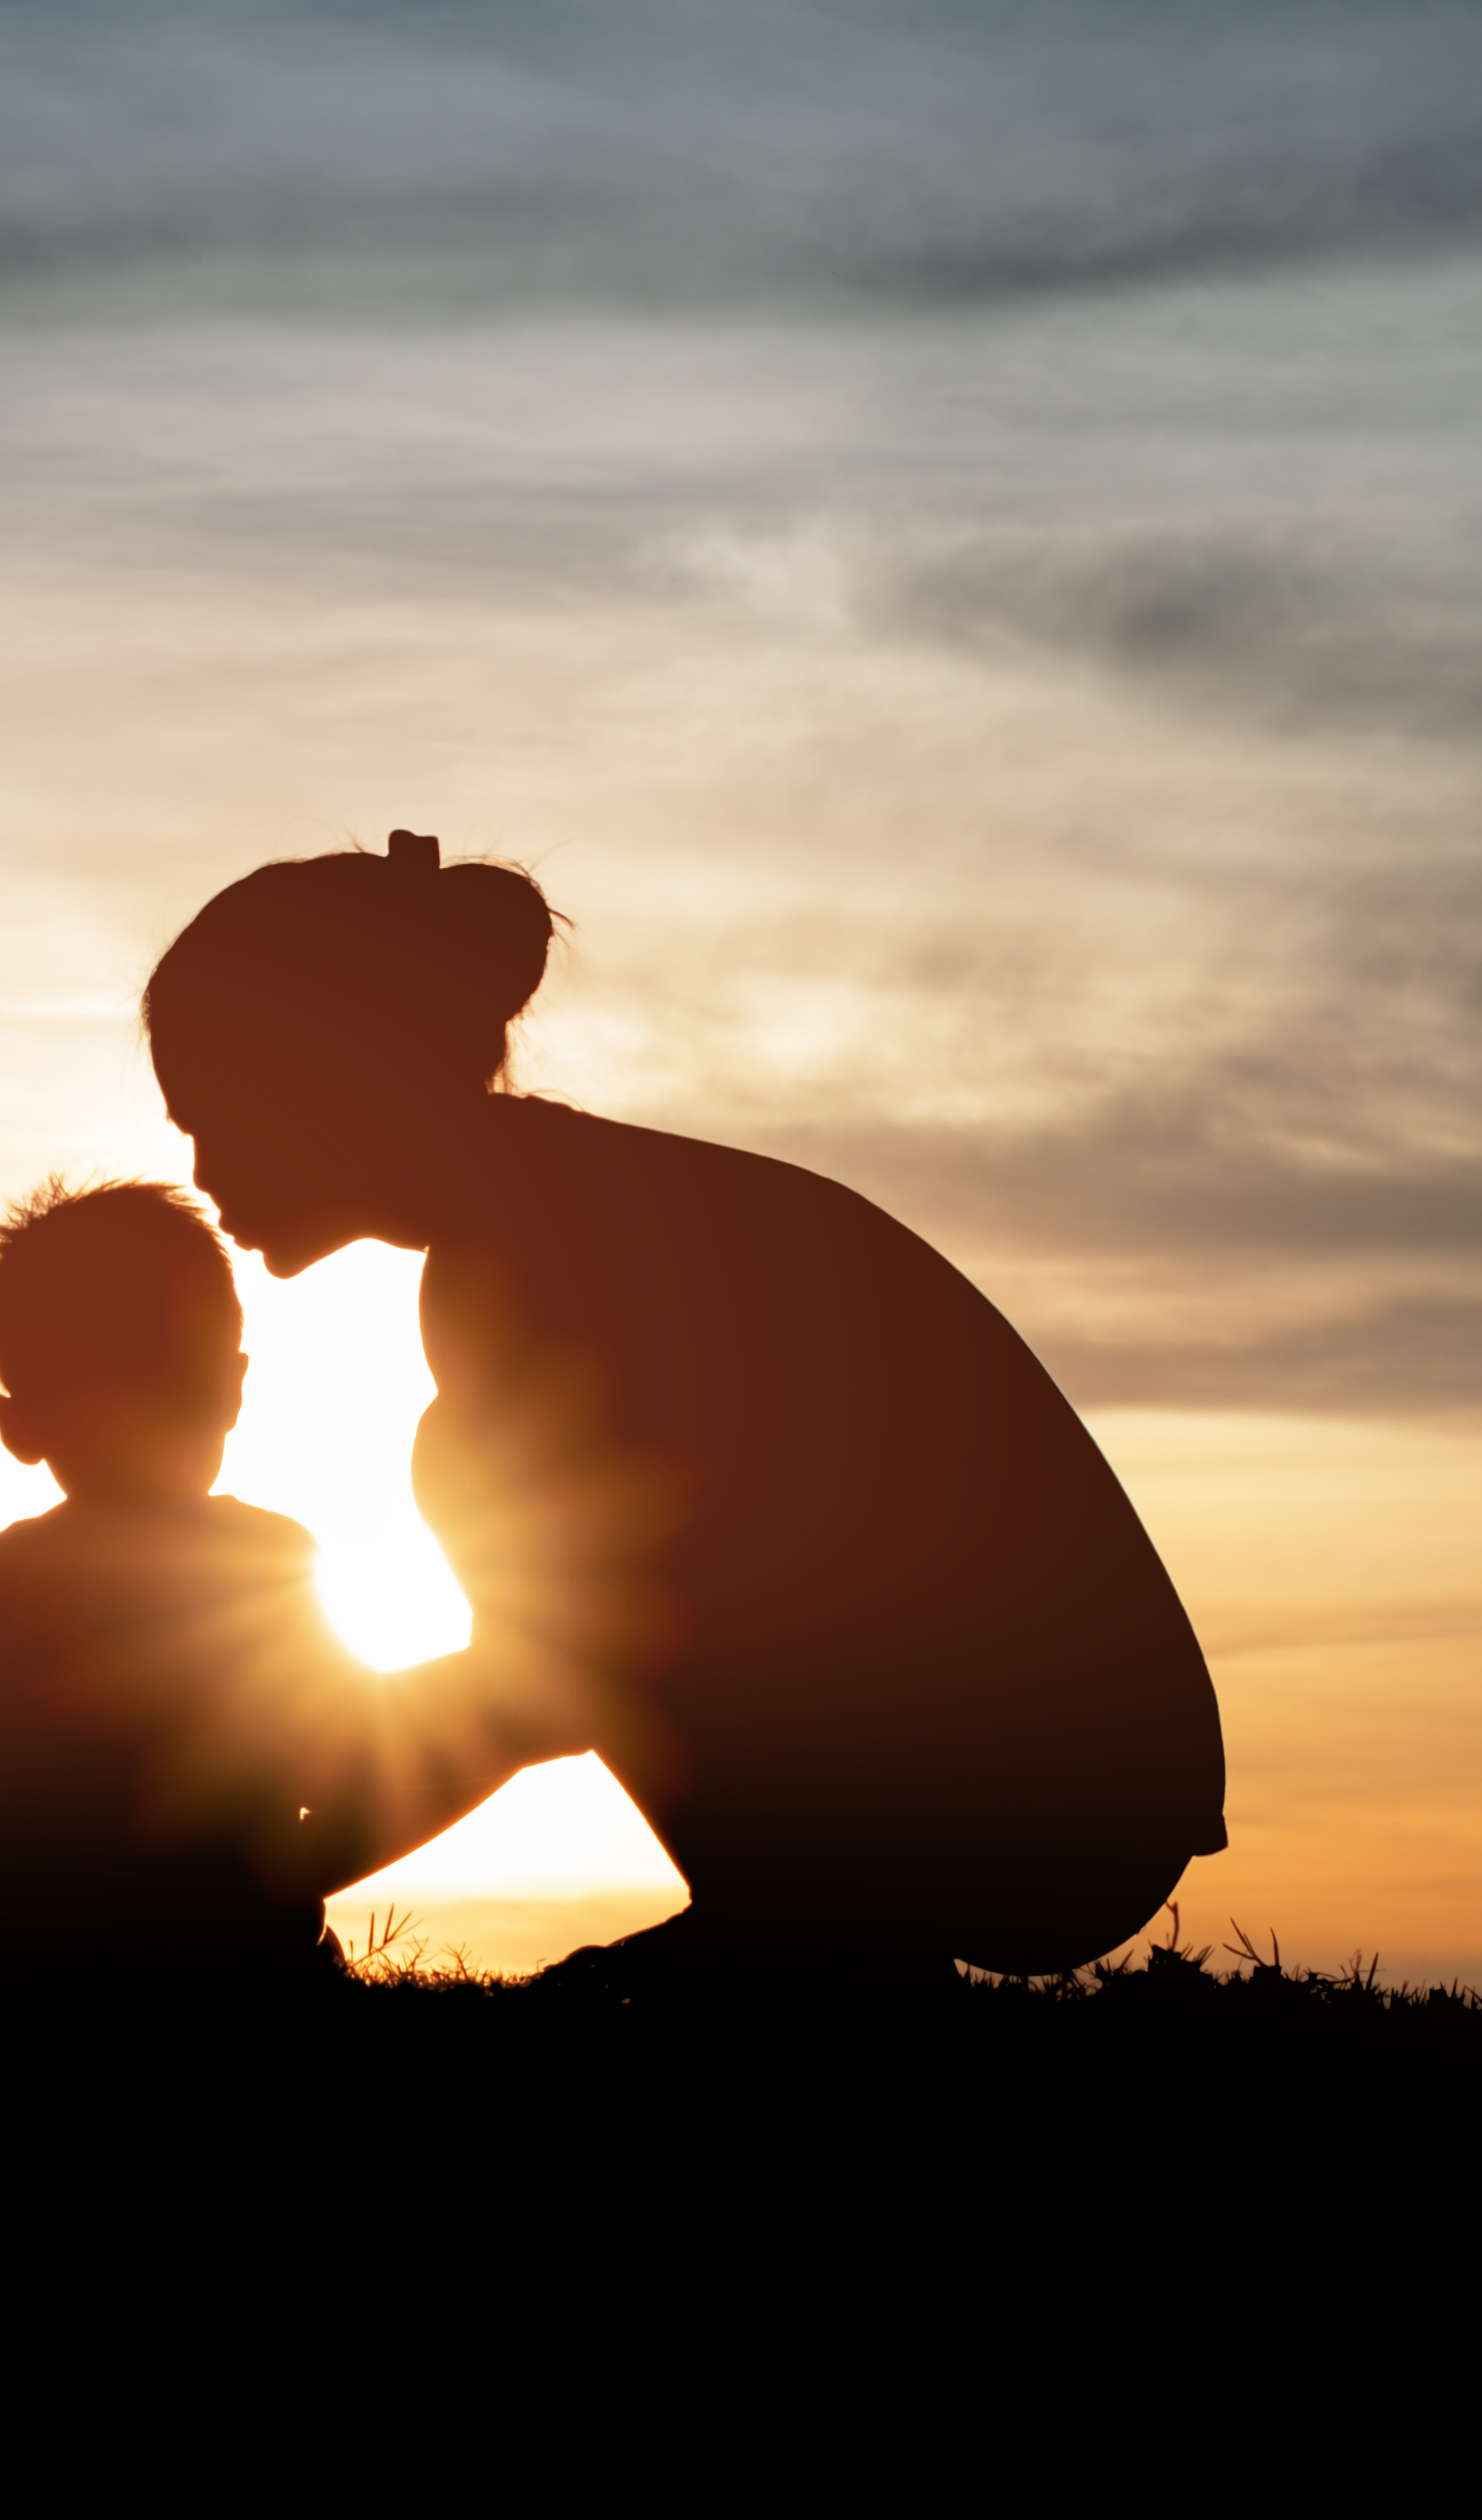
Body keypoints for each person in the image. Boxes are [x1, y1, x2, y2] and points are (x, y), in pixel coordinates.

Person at [144, 833, 1227, 1984]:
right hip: (1079, 1783)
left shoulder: (531, 1265)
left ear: (335, 1079)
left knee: (458, 1463)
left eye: (219, 1116)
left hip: (1045, 1804)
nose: (205, 1172)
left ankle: (797, 1936)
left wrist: (260, 1866)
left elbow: (548, 1672)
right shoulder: (558, 1213)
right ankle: (794, 1921)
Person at [0, 1177, 545, 1993]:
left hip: (24, 1953)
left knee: (507, 1709)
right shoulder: (255, 1558)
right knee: (520, 1704)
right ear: (232, 1387)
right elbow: (343, 1741)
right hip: (213, 1944)